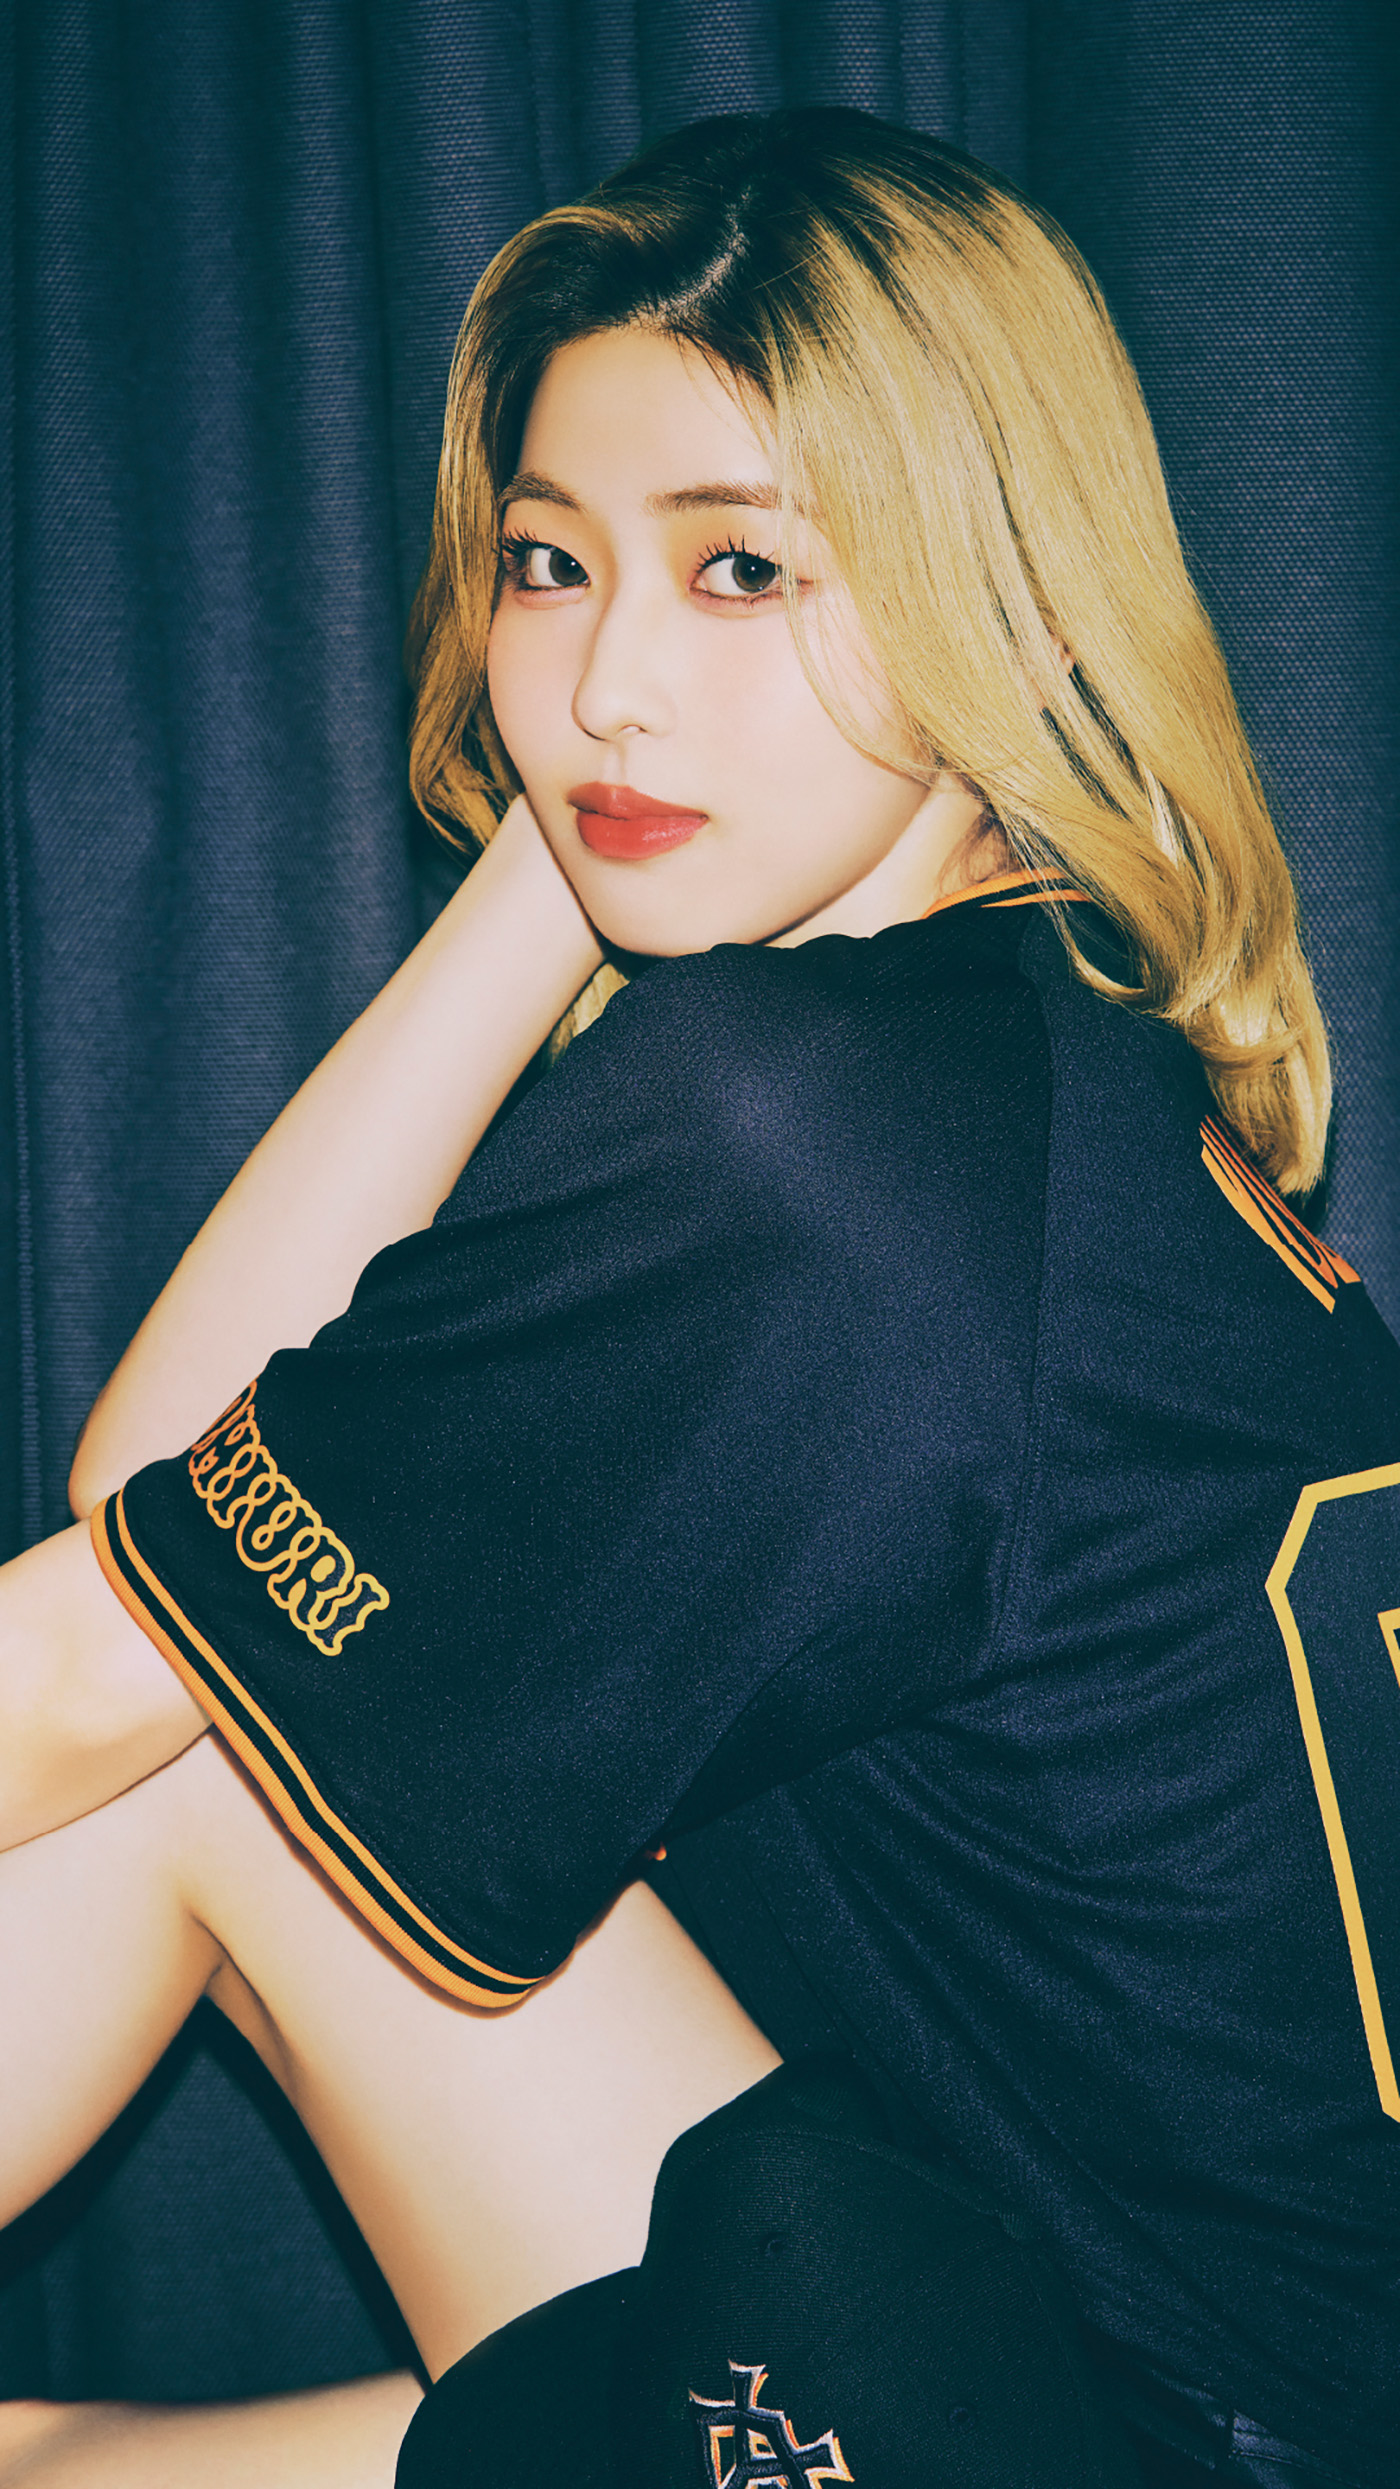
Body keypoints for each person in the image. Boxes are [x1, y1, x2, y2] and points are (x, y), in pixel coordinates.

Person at [1, 105, 1396, 2488]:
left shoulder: (822, 1136)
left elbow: (88, 1676)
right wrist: (574, 848)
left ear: (1008, 604)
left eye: (741, 568)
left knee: (196, 1728)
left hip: (1101, 2421)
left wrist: (607, 814)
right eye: (546, 566)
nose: (608, 680)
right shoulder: (1042, 1059)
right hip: (998, 2325)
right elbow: (186, 1494)